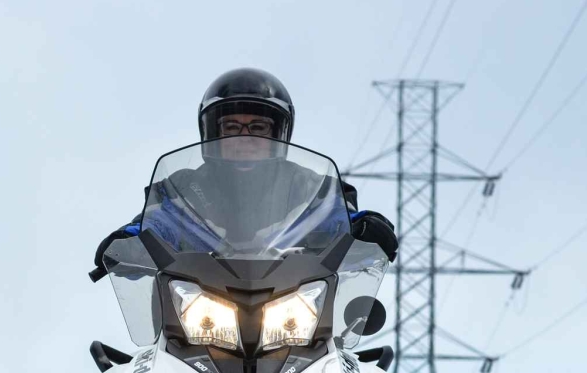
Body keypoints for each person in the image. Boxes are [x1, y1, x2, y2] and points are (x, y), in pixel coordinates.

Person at [103, 68, 398, 255]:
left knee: (341, 355)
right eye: (231, 127)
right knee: (150, 356)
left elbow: (336, 216)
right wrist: (129, 238)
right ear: (211, 132)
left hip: (295, 315)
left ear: (279, 133)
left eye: (258, 128)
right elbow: (158, 222)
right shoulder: (184, 187)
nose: (244, 137)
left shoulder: (309, 186)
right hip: (194, 316)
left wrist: (364, 225)